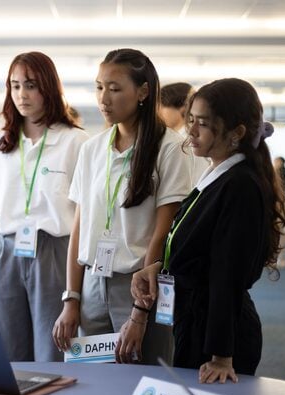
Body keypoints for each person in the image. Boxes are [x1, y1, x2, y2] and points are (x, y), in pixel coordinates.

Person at [131, 78, 285, 383]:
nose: (190, 131)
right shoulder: (216, 176)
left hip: (220, 336)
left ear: (236, 133)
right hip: (197, 319)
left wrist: (220, 356)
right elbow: (202, 249)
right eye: (190, 120)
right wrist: (160, 267)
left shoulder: (240, 185)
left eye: (202, 123)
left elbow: (227, 273)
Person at [52, 48, 191, 365]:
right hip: (92, 283)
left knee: (142, 377)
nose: (104, 98)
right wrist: (71, 298)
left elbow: (162, 232)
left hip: (138, 285)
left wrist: (140, 311)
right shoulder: (92, 149)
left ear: (143, 92)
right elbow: (80, 226)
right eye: (99, 87)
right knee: (95, 383)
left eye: (115, 89)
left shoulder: (170, 148)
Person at [0, 51, 89, 362]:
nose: (21, 95)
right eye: (14, 86)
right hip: (6, 250)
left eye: (30, 85)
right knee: (4, 350)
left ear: (48, 88)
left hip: (55, 251)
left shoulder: (76, 142)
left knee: (53, 350)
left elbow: (84, 215)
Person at [160, 82, 209, 186]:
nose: (158, 113)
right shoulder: (173, 137)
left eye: (163, 106)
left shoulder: (188, 141)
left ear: (183, 109)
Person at [274, 156, 285, 268]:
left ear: (281, 162)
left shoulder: (284, 175)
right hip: (274, 204)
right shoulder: (273, 174)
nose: (274, 163)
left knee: (280, 232)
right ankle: (273, 258)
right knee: (273, 232)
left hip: (281, 204)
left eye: (276, 161)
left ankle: (281, 258)